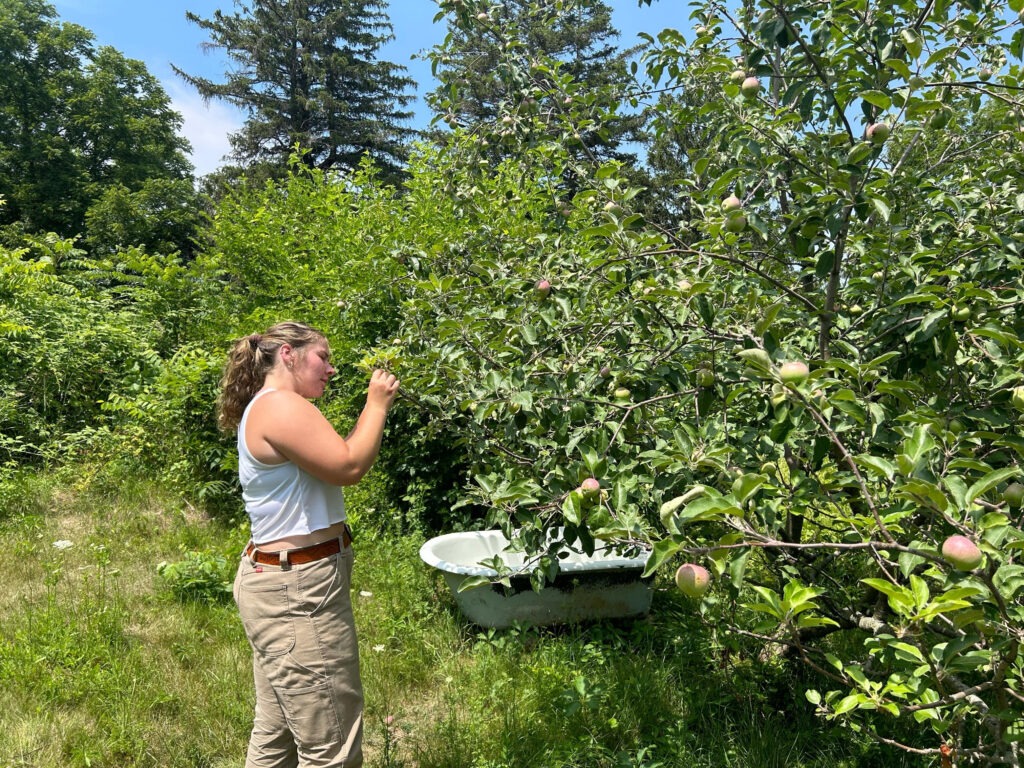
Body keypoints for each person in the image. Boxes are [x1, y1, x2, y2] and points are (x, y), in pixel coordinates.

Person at [216, 321, 400, 768]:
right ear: (287, 354)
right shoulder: (280, 406)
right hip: (299, 592)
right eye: (323, 357)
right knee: (331, 744)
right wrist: (376, 403)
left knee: (277, 730)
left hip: (284, 582)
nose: (332, 369)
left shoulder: (272, 406)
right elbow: (349, 465)